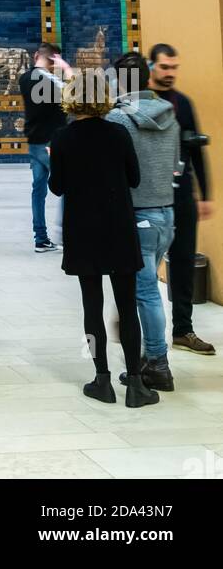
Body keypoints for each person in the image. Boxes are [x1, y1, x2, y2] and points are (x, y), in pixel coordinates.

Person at [48, 79, 158, 407]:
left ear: (72, 99)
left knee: (92, 306)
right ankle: (136, 385)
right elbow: (134, 179)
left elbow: (57, 187)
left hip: (83, 230)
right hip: (119, 227)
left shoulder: (63, 138)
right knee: (126, 306)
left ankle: (102, 380)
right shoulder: (119, 134)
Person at [106, 51, 180, 392]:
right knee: (149, 290)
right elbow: (176, 164)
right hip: (167, 213)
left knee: (147, 292)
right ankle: (153, 357)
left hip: (139, 216)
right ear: (148, 79)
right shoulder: (171, 116)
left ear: (121, 81)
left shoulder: (118, 120)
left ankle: (158, 363)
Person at [148, 43, 216, 355]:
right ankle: (141, 330)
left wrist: (205, 194)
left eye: (174, 68)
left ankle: (183, 330)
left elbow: (196, 149)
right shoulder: (140, 103)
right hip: (148, 197)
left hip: (182, 194)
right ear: (151, 67)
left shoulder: (183, 103)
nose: (170, 74)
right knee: (144, 265)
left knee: (184, 261)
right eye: (164, 67)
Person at [19, 43, 67, 253]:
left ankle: (41, 238)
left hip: (34, 141)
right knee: (69, 186)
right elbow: (76, 95)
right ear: (54, 60)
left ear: (36, 55)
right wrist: (66, 70)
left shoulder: (24, 78)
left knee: (38, 190)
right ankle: (66, 235)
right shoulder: (52, 81)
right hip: (52, 143)